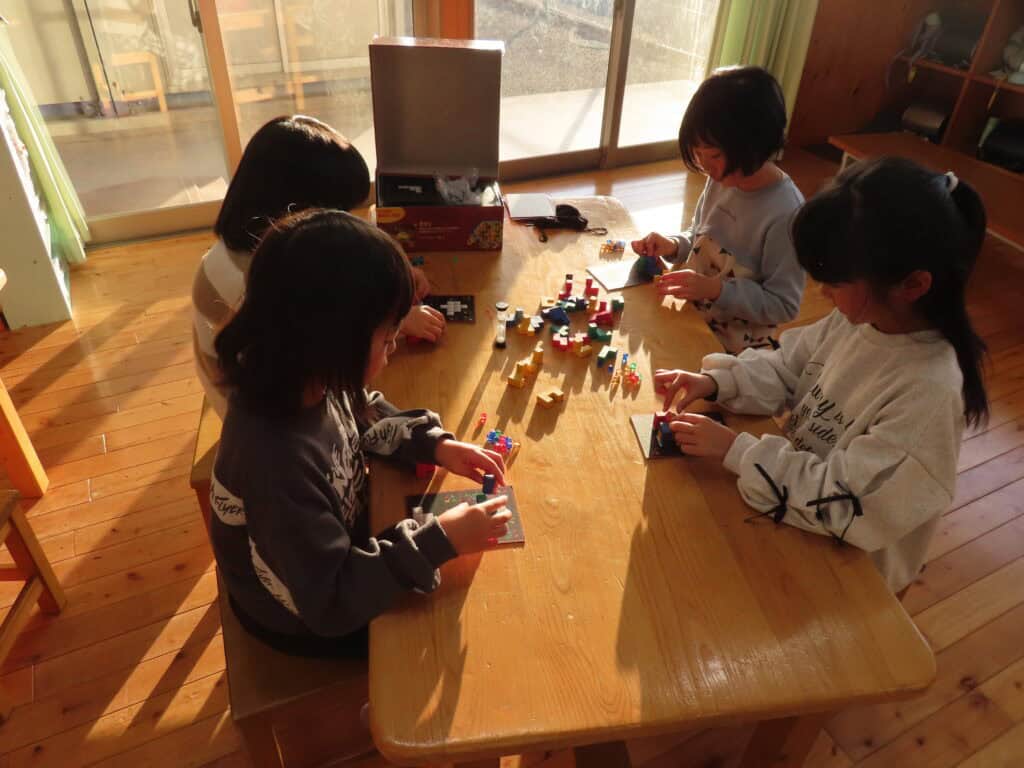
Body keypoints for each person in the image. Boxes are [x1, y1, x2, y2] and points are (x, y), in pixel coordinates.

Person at [655, 157, 988, 593]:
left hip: (854, 575)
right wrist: (719, 382)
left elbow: (843, 504)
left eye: (835, 280)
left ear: (912, 285)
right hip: (795, 515)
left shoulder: (929, 392)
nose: (822, 291)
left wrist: (737, 450)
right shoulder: (859, 320)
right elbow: (787, 367)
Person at [209, 208, 509, 656]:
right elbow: (331, 603)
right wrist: (441, 539)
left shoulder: (303, 372)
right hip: (302, 617)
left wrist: (435, 444)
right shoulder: (275, 462)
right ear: (334, 342)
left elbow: (363, 412)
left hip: (328, 556)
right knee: (456, 633)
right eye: (387, 339)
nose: (393, 347)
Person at [192, 115, 444, 416]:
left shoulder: (273, 252)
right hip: (269, 412)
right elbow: (327, 343)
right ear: (298, 211)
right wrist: (395, 322)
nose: (344, 222)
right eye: (338, 211)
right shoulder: (249, 283)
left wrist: (388, 271)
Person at [631, 66, 804, 353]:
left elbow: (784, 304)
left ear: (754, 145)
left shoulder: (786, 214)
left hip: (736, 350)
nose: (704, 165)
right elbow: (699, 236)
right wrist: (674, 245)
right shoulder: (723, 178)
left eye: (713, 154)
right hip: (692, 317)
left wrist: (715, 289)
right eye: (697, 153)